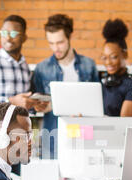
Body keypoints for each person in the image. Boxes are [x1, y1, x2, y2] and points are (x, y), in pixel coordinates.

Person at [0, 14, 49, 152]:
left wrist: (32, 105)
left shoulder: (24, 67)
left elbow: (21, 106)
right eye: (4, 32)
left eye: (13, 33)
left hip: (19, 145)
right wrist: (10, 101)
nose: (8, 37)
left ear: (24, 37)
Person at [32, 14, 99, 159]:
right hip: (53, 135)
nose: (55, 48)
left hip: (83, 134)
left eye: (60, 42)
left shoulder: (89, 65)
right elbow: (34, 106)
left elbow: (96, 103)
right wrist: (39, 106)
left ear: (70, 37)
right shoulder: (41, 68)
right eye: (51, 43)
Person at [100, 19, 132, 117]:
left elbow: (123, 124)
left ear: (125, 55)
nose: (108, 62)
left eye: (113, 57)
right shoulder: (100, 80)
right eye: (104, 57)